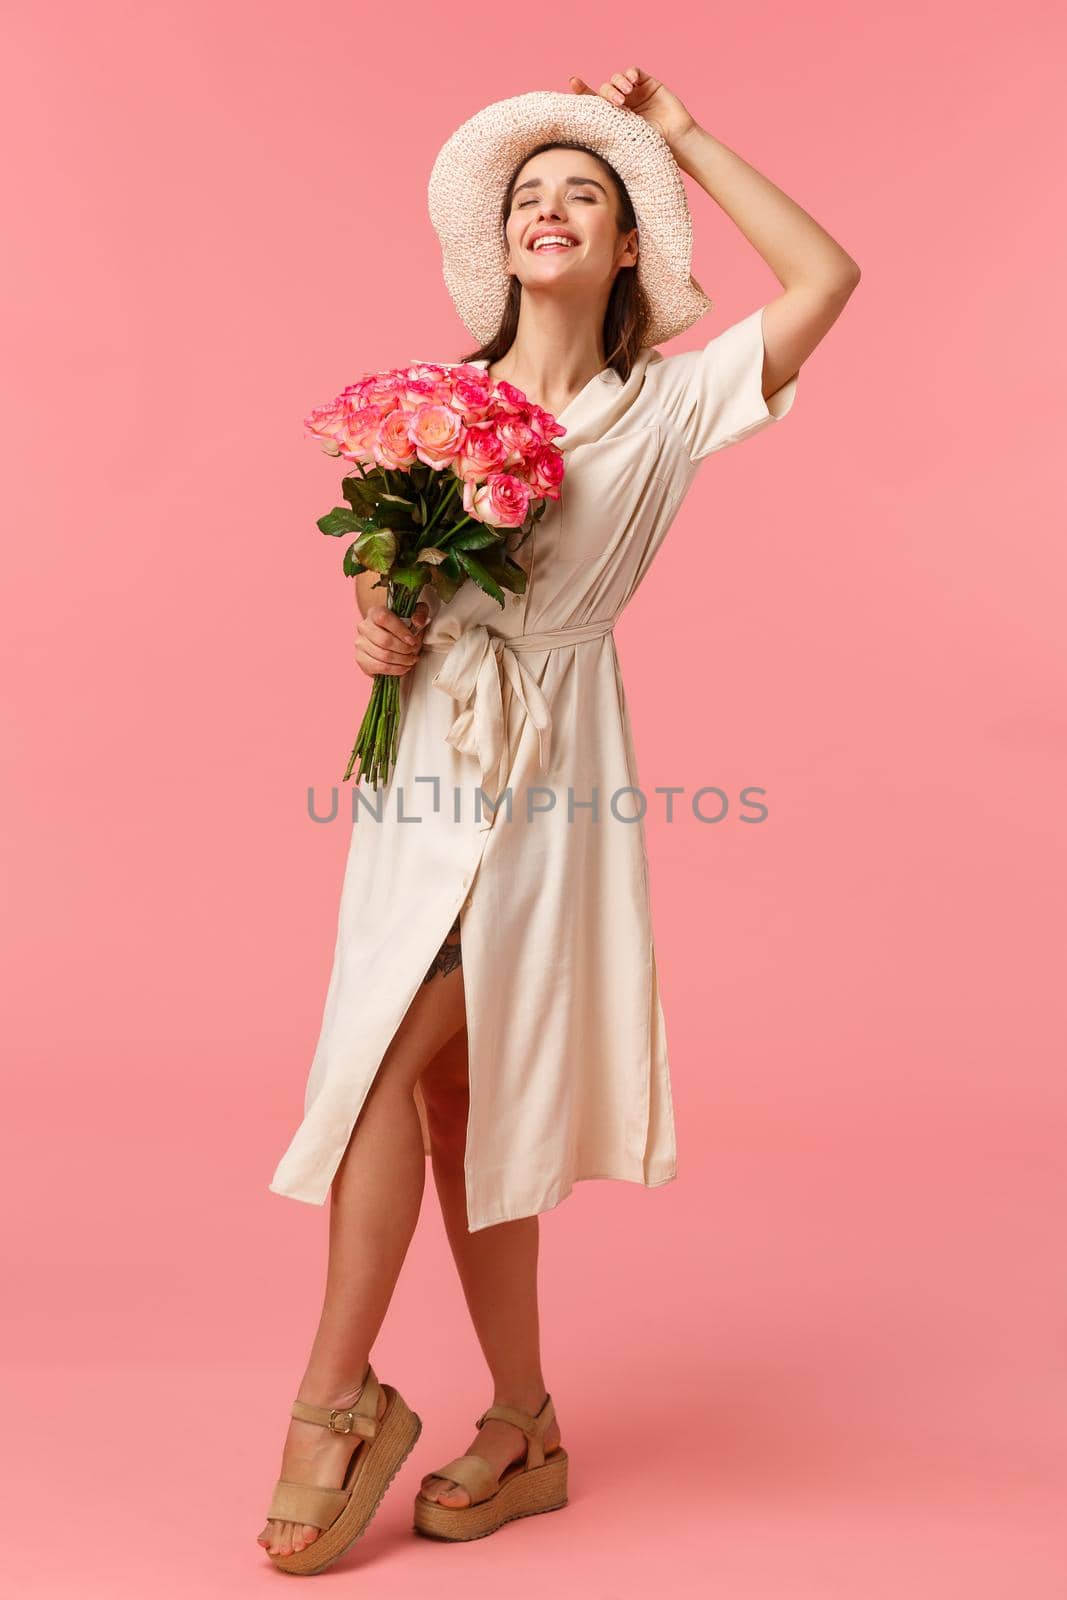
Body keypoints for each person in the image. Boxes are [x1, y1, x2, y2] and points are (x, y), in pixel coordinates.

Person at [260, 69, 860, 1572]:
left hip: (549, 772)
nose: (549, 207)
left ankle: (332, 1403)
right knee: (458, 1107)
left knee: (398, 1056)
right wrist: (377, 623)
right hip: (420, 775)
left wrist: (680, 139)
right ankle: (523, 1423)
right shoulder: (435, 403)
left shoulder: (666, 403)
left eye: (582, 195)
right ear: (498, 237)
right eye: (531, 193)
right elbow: (393, 587)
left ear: (627, 249)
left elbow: (829, 276)